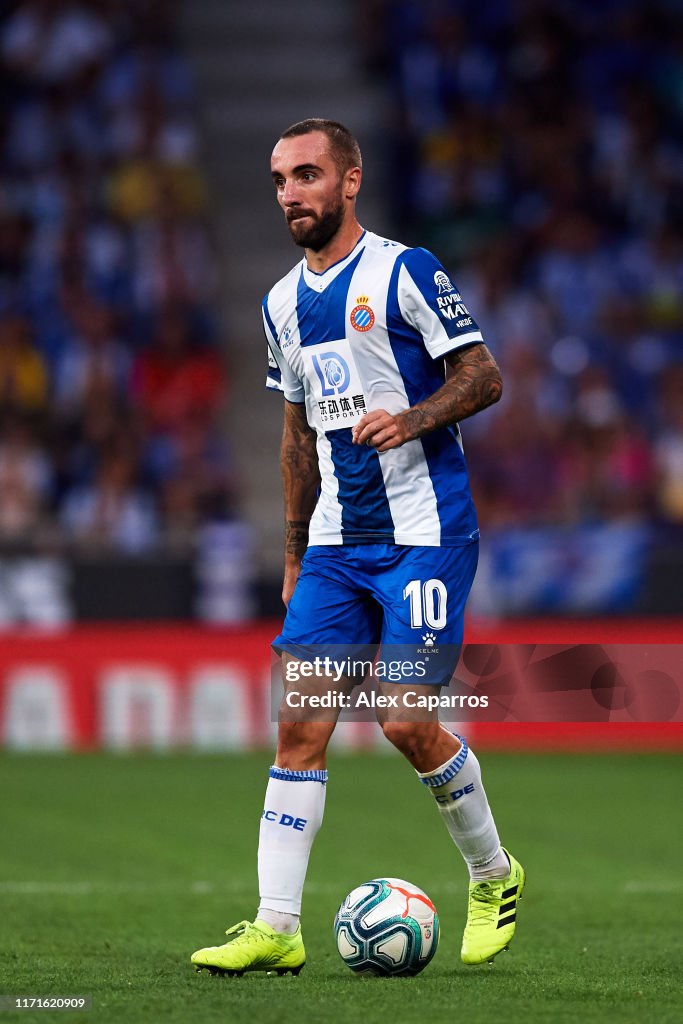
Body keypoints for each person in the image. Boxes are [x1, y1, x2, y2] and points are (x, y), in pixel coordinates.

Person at [191, 119, 524, 977]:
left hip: (424, 535)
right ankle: (275, 925)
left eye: (306, 175)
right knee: (299, 724)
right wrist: (298, 549)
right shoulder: (277, 304)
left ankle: (493, 873)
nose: (289, 194)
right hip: (337, 546)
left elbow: (483, 375)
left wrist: (410, 418)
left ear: (349, 181)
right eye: (277, 180)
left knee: (405, 717)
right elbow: (296, 435)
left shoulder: (405, 270)